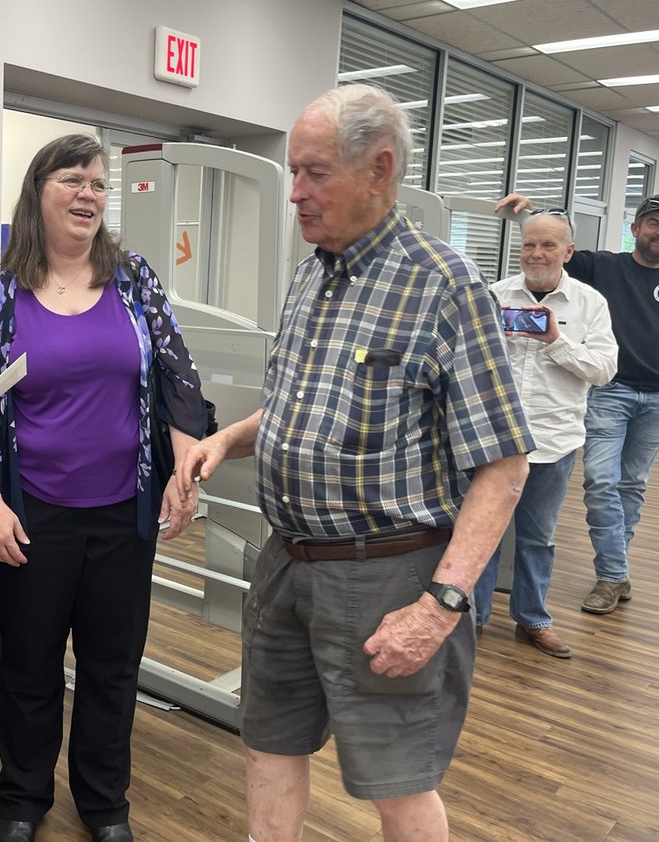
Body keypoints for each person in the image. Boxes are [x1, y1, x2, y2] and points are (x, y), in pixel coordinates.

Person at [176, 84, 533, 842]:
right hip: (286, 562)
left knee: (397, 780)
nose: (295, 193)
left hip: (388, 574)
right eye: (293, 173)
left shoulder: (444, 286)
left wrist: (440, 606)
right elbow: (299, 407)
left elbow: (504, 468)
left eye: (315, 173)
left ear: (379, 169)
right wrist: (227, 439)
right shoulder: (313, 274)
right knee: (268, 744)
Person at [0, 134, 206, 842]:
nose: (88, 193)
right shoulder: (1, 297)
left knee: (111, 669)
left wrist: (184, 465)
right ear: (39, 191)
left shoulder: (133, 280)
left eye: (98, 183)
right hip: (34, 513)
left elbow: (179, 377)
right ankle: (22, 801)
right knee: (29, 667)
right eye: (73, 179)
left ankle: (104, 805)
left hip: (123, 513)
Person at [496, 193, 659, 615]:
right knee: (600, 482)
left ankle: (614, 570)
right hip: (608, 393)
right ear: (636, 229)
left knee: (632, 485)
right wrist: (528, 212)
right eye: (654, 223)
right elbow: (550, 248)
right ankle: (613, 574)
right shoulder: (606, 267)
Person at [473, 209, 617, 657]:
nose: (536, 253)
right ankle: (473, 619)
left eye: (548, 245)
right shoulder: (494, 296)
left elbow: (605, 369)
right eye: (529, 244)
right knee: (481, 532)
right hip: (495, 441)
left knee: (537, 539)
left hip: (553, 443)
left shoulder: (590, 303)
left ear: (568, 252)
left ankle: (532, 618)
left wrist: (555, 340)